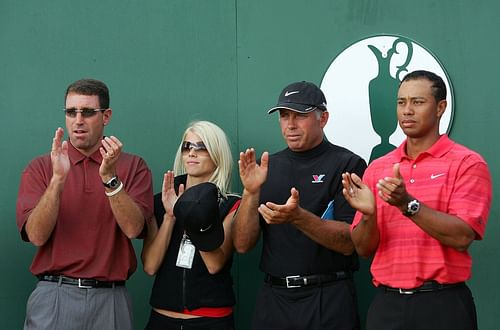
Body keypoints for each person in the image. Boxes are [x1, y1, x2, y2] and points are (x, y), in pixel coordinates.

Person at [342, 70, 492, 330]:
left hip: (443, 305)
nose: (407, 111)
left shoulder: (467, 163)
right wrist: (368, 216)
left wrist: (407, 205)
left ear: (440, 108)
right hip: (387, 306)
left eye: (418, 102)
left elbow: (462, 236)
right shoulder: (378, 168)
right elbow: (363, 249)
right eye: (401, 102)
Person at [16, 78, 154, 330]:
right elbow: (36, 235)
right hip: (54, 295)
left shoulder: (133, 166)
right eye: (71, 112)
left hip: (110, 298)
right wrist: (58, 180)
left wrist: (110, 178)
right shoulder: (41, 167)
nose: (78, 120)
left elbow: (134, 229)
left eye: (88, 112)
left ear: (106, 116)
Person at [233, 81, 367, 329]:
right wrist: (251, 193)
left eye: (300, 116)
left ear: (323, 118)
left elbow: (351, 242)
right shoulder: (266, 167)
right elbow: (242, 244)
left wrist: (298, 217)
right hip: (274, 299)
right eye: (284, 116)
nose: (290, 125)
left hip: (328, 297)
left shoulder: (348, 164)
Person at [142, 120, 241, 330]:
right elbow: (150, 266)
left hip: (211, 320)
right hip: (162, 319)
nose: (192, 153)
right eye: (187, 146)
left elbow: (214, 265)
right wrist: (170, 216)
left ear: (217, 154)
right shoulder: (161, 200)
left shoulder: (231, 204)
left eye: (201, 147)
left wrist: (189, 215)